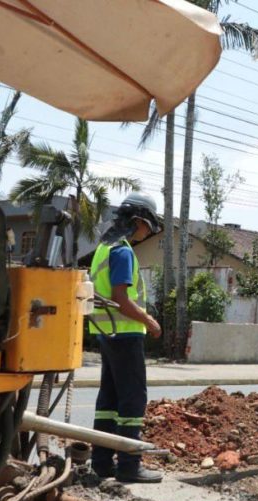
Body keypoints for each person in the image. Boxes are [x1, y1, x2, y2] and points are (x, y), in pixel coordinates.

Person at [89, 192, 164, 483]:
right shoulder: (121, 251)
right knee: (132, 400)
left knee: (108, 400)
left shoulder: (103, 248)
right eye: (148, 226)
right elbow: (121, 298)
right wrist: (149, 321)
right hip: (125, 334)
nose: (147, 233)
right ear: (137, 221)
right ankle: (130, 466)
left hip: (107, 334)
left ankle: (102, 462)